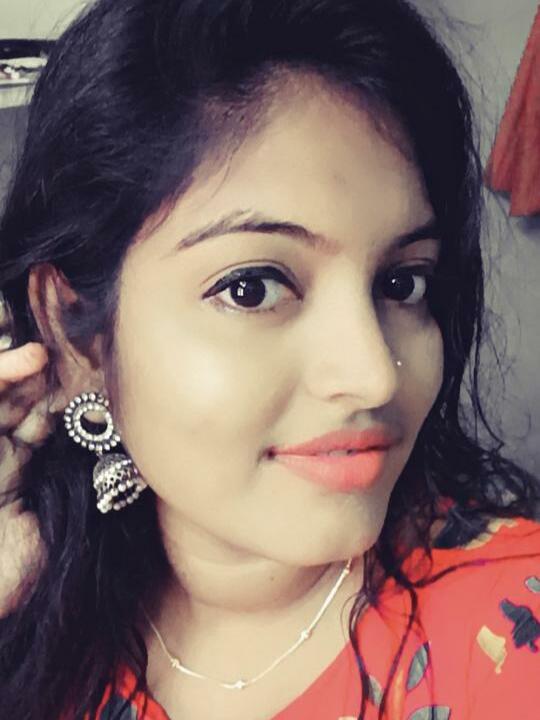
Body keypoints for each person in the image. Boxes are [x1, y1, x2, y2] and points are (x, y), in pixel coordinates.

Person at [0, 0, 539, 718]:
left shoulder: (511, 634)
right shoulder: (39, 607)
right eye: (251, 287)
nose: (374, 375)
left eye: (402, 283)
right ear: (76, 335)